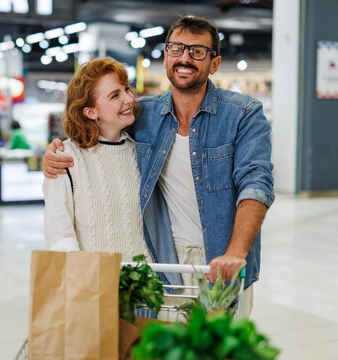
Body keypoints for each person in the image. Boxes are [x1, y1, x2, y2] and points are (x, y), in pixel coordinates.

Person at [43, 16, 274, 317]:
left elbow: (256, 183)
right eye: (177, 48)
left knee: (220, 347)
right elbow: (100, 128)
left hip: (222, 262)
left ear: (214, 64)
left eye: (198, 51)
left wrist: (235, 253)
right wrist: (56, 151)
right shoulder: (145, 115)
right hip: (166, 264)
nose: (185, 58)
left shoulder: (243, 115)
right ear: (165, 57)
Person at [42, 58, 151, 262]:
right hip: (94, 283)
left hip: (145, 281)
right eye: (114, 96)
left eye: (126, 89)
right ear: (91, 112)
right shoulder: (66, 158)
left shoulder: (142, 151)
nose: (128, 99)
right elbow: (59, 233)